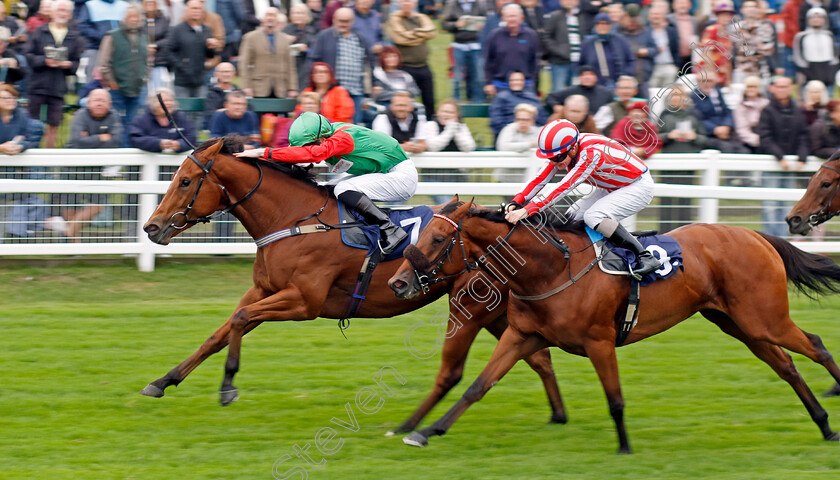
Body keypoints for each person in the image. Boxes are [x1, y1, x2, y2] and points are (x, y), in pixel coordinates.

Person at [235, 111, 418, 255]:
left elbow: (314, 154)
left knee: (343, 188)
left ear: (321, 138)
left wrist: (262, 152)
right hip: (385, 173)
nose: (305, 150)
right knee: (328, 190)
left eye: (307, 145)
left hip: (400, 177)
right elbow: (297, 156)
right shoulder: (329, 134)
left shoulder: (343, 138)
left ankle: (390, 229)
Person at [504, 118, 662, 277]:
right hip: (613, 186)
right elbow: (539, 179)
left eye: (557, 158)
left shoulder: (591, 153)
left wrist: (527, 211)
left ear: (573, 148)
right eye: (550, 158)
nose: (554, 162)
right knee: (570, 217)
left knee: (593, 216)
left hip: (638, 186)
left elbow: (563, 187)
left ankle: (645, 256)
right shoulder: (563, 151)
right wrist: (516, 201)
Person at [25, 0, 83, 148]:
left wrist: (69, 65)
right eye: (59, 10)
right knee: (33, 124)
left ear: (70, 15)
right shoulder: (39, 31)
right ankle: (32, 162)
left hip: (58, 87)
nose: (62, 14)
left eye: (65, 11)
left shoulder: (74, 36)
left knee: (53, 125)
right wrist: (45, 61)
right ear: (52, 12)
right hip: (38, 85)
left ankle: (48, 165)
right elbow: (28, 55)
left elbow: (76, 62)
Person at [757, 76, 810, 238]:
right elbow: (765, 137)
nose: (783, 90)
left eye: (786, 86)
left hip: (790, 165)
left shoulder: (796, 110)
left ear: (790, 88)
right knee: (770, 205)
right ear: (773, 88)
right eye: (779, 86)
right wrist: (780, 157)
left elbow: (802, 135)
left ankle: (782, 241)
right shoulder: (767, 110)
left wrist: (802, 157)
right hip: (773, 164)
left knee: (786, 205)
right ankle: (769, 241)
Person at [308, 7, 376, 123]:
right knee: (331, 126)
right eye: (341, 21)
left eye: (347, 21)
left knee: (353, 127)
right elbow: (313, 61)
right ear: (334, 20)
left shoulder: (360, 38)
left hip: (356, 91)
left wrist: (373, 85)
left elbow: (370, 63)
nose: (343, 24)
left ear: (353, 21)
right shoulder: (324, 36)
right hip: (332, 91)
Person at [97, 3, 150, 145]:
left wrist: (145, 77)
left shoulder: (144, 37)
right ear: (125, 18)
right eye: (130, 16)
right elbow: (104, 62)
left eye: (136, 17)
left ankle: (130, 157)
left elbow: (148, 60)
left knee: (133, 123)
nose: (133, 19)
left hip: (137, 88)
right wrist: (112, 82)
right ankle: (116, 155)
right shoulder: (112, 36)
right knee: (117, 124)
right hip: (117, 88)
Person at [657, 83, 706, 230]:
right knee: (667, 200)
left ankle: (684, 232)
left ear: (686, 98)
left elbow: (705, 139)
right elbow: (653, 138)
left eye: (679, 95)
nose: (676, 98)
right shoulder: (663, 116)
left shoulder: (693, 116)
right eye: (673, 95)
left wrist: (694, 136)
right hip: (668, 166)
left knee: (685, 200)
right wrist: (668, 136)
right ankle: (664, 233)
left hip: (688, 166)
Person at [387, 0, 437, 118]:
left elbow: (432, 32)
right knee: (407, 100)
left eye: (409, 1)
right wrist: (421, 36)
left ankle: (430, 124)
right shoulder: (395, 19)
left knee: (429, 100)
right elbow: (400, 38)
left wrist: (413, 33)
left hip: (423, 65)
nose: (406, 4)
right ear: (399, 4)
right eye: (404, 1)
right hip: (406, 67)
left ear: (415, 4)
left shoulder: (421, 18)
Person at [163, 0, 220, 100]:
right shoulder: (178, 30)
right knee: (184, 111)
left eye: (198, 8)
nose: (196, 11)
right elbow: (168, 51)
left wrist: (211, 48)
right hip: (182, 82)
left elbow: (210, 55)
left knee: (199, 112)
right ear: (187, 10)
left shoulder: (206, 30)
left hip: (201, 81)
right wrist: (181, 66)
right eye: (193, 8)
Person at [422, 98, 476, 203]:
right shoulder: (430, 125)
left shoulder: (461, 127)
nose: (446, 114)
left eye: (451, 112)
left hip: (455, 175)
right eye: (443, 111)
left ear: (457, 115)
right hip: (433, 175)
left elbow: (469, 147)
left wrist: (454, 129)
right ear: (437, 113)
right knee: (445, 205)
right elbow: (433, 146)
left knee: (452, 207)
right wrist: (449, 130)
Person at [238, 7, 299, 99]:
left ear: (277, 20)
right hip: (258, 88)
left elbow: (290, 65)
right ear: (263, 19)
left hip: (280, 89)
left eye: (273, 15)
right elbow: (244, 63)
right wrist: (246, 86)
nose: (270, 18)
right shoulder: (250, 38)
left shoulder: (285, 39)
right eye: (267, 15)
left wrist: (292, 88)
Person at [483, 3, 540, 98]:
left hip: (525, 84)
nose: (511, 19)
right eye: (508, 16)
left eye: (514, 16)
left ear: (521, 18)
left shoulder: (531, 35)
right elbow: (488, 61)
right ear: (503, 18)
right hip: (500, 84)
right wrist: (488, 83)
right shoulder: (495, 35)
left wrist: (533, 81)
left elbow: (535, 61)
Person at [441, 0, 488, 102]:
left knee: (478, 76)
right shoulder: (452, 4)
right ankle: (456, 102)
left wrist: (482, 25)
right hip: (459, 45)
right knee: (457, 77)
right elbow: (444, 24)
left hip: (476, 45)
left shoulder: (479, 4)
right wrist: (456, 24)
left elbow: (487, 20)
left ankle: (478, 101)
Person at [128, 87, 197, 153]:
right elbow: (135, 139)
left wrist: (180, 144)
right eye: (164, 101)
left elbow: (192, 137)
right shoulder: (141, 120)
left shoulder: (182, 118)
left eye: (170, 100)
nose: (168, 103)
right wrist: (158, 144)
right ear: (152, 103)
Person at [577, 12, 634, 89]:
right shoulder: (587, 43)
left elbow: (630, 60)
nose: (602, 26)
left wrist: (626, 76)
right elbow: (580, 63)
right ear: (595, 26)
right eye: (599, 24)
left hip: (617, 83)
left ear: (610, 25)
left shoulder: (620, 40)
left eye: (605, 24)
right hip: (594, 85)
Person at [76, 0, 128, 81]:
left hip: (120, 50)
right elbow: (83, 25)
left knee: (118, 80)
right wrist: (101, 37)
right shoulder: (90, 5)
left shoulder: (124, 5)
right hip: (97, 49)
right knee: (94, 80)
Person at [541, 0, 586, 93]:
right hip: (559, 62)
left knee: (576, 92)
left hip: (577, 62)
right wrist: (559, 51)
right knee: (558, 91)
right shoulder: (555, 16)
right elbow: (546, 37)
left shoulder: (581, 17)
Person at [489, 70, 545, 137]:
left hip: (532, 134)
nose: (516, 82)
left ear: (524, 82)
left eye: (520, 80)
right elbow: (496, 121)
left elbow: (542, 118)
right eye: (513, 80)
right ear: (509, 82)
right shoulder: (501, 97)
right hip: (509, 135)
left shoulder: (532, 97)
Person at [793, 8, 839, 87]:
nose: (816, 20)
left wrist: (833, 69)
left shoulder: (829, 35)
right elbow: (798, 56)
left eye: (820, 17)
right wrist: (805, 70)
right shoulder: (801, 36)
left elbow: (835, 54)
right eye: (813, 17)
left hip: (828, 68)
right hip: (810, 68)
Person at [544, 65, 614, 117]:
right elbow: (550, 97)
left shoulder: (606, 93)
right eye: (583, 75)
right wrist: (556, 106)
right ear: (580, 78)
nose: (587, 77)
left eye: (590, 74)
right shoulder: (571, 91)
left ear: (596, 77)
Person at [371, 90, 427, 155]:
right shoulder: (382, 118)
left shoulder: (419, 118)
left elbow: (423, 144)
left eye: (404, 106)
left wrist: (417, 148)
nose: (401, 109)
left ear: (411, 107)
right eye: (398, 105)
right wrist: (404, 147)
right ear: (391, 107)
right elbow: (382, 145)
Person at [283, 4, 318, 92]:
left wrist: (306, 50)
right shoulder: (285, 30)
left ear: (307, 16)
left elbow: (316, 52)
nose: (298, 16)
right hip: (289, 68)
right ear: (291, 16)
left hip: (305, 69)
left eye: (301, 13)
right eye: (295, 13)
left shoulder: (313, 31)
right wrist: (285, 40)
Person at [646, 3, 680, 91]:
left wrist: (676, 66)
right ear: (649, 16)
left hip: (669, 66)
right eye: (653, 14)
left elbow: (676, 49)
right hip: (652, 67)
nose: (656, 16)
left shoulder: (670, 31)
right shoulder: (645, 31)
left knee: (668, 92)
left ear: (663, 16)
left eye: (658, 14)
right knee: (652, 92)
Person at [733, 75, 769, 153]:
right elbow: (741, 129)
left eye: (754, 87)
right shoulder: (740, 106)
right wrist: (757, 141)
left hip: (765, 138)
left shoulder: (767, 104)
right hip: (747, 142)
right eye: (749, 87)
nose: (751, 89)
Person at [204, 62, 242, 129]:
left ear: (234, 74)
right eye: (223, 72)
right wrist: (232, 110)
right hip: (219, 130)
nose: (226, 74)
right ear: (215, 74)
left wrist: (222, 111)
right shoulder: (211, 93)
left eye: (228, 72)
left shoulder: (239, 93)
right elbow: (210, 115)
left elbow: (246, 110)